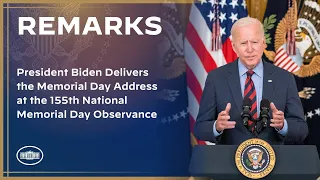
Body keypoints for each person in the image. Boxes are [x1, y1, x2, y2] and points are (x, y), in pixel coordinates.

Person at [194, 17, 308, 145]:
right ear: (234, 46)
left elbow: (302, 129)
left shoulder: (284, 78)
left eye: (254, 42)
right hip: (229, 161)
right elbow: (200, 129)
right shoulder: (216, 78)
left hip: (274, 160)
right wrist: (217, 126)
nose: (249, 49)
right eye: (243, 43)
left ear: (264, 43)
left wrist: (283, 125)